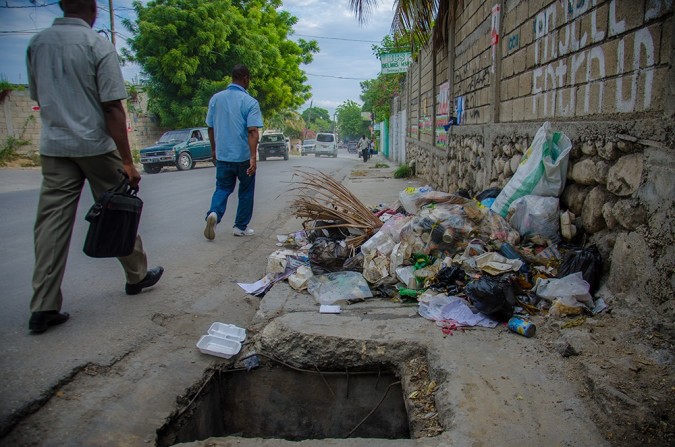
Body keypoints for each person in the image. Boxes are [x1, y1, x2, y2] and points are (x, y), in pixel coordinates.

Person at [25, 0, 163, 334]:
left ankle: (43, 305)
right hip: (95, 145)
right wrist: (128, 161)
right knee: (118, 209)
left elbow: (38, 96)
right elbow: (113, 108)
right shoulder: (97, 44)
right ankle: (136, 276)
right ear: (93, 9)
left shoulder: (37, 44)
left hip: (55, 147)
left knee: (51, 225)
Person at [203, 64, 263, 240]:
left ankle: (213, 213)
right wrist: (253, 157)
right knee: (246, 190)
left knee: (222, 188)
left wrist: (214, 149)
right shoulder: (250, 102)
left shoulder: (216, 99)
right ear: (245, 78)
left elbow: (211, 128)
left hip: (223, 156)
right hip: (243, 157)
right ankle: (240, 227)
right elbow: (252, 131)